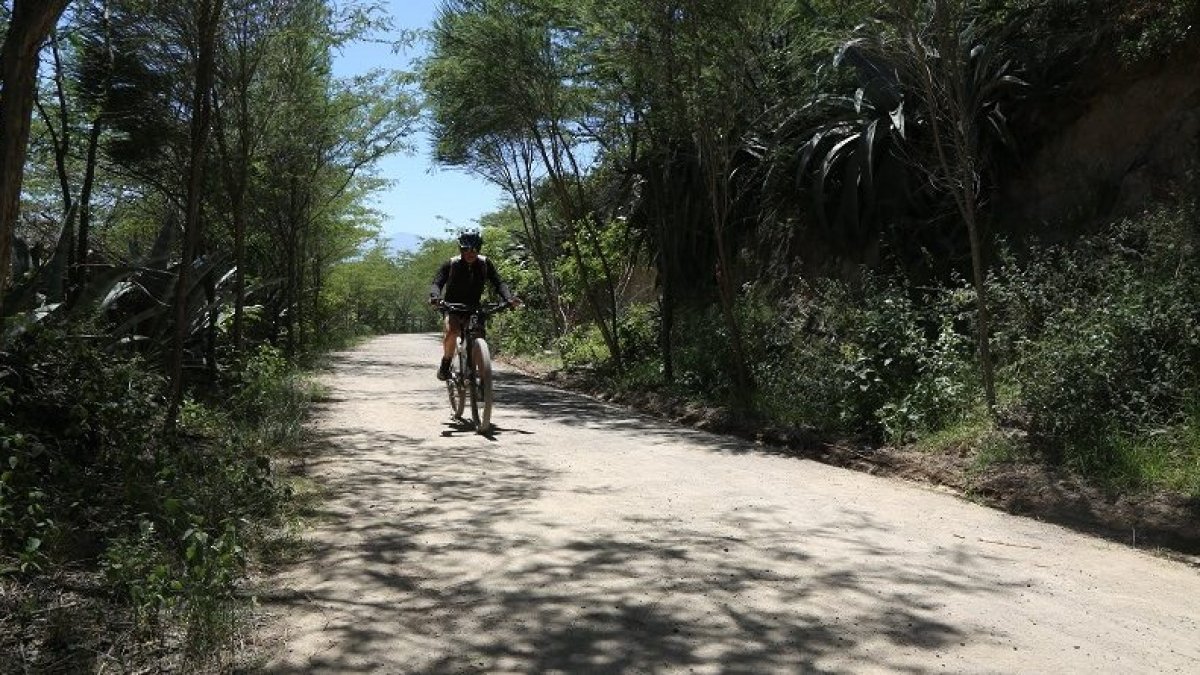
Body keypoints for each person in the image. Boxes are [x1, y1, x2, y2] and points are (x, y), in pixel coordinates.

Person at [429, 230, 520, 380]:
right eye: (466, 249)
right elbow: (437, 283)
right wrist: (435, 297)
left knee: (479, 335)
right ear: (460, 249)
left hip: (474, 307)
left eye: (474, 249)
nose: (470, 253)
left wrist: (509, 298)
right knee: (452, 331)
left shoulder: (485, 264)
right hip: (453, 306)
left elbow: (499, 282)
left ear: (479, 248)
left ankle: (481, 380)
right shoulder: (452, 264)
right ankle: (445, 364)